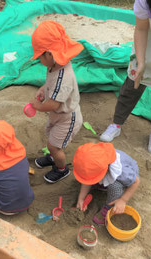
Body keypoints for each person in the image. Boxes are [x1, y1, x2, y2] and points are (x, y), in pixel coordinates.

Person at [100, 0, 151, 155]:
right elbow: (141, 29)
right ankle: (116, 124)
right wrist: (140, 62)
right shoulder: (145, 2)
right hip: (148, 47)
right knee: (133, 85)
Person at [29, 20, 84, 183]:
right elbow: (52, 83)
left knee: (54, 146)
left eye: (39, 56)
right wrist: (43, 89)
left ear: (50, 54)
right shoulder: (55, 64)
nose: (38, 60)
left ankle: (61, 169)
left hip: (67, 118)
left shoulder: (63, 77)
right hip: (58, 115)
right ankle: (53, 156)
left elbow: (53, 104)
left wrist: (37, 106)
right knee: (51, 139)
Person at [73, 142, 140, 225]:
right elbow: (87, 178)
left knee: (114, 186)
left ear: (105, 170)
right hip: (104, 170)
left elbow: (136, 182)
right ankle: (99, 182)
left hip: (124, 176)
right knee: (89, 176)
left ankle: (108, 208)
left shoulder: (123, 173)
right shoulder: (93, 157)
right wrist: (81, 198)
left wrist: (123, 200)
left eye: (93, 179)